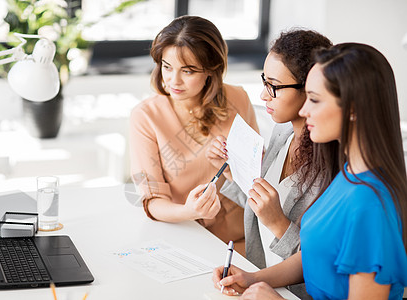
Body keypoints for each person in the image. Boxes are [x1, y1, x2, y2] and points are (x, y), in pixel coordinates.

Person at [212, 43, 407, 299]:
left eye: (314, 99)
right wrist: (253, 278)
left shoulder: (369, 205)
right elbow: (313, 255)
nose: (304, 110)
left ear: (353, 110)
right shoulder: (349, 175)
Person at [206, 29, 337, 298]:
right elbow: (261, 208)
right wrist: (232, 173)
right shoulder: (282, 132)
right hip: (266, 282)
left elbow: (323, 260)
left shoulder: (335, 167)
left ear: (310, 89)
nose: (264, 95)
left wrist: (278, 223)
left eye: (274, 86)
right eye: (265, 81)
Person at [129, 15, 259, 253]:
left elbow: (256, 178)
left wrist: (230, 169)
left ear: (211, 70)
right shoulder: (145, 117)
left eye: (188, 71)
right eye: (167, 67)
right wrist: (189, 212)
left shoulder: (238, 99)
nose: (173, 81)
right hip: (180, 234)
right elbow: (151, 200)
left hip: (237, 239)